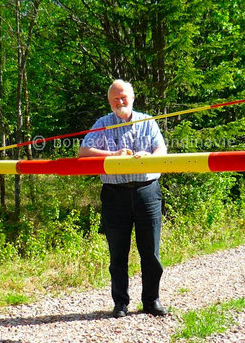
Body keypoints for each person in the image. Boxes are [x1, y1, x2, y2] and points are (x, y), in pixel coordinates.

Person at [79, 79, 168, 318]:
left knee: (150, 252)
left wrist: (149, 156)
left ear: (133, 97)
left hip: (147, 191)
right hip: (114, 195)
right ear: (109, 102)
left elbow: (162, 150)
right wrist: (113, 154)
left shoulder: (147, 121)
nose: (120, 101)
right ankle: (120, 303)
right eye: (115, 98)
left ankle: (151, 300)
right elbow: (84, 151)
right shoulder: (102, 124)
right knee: (117, 253)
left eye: (124, 97)